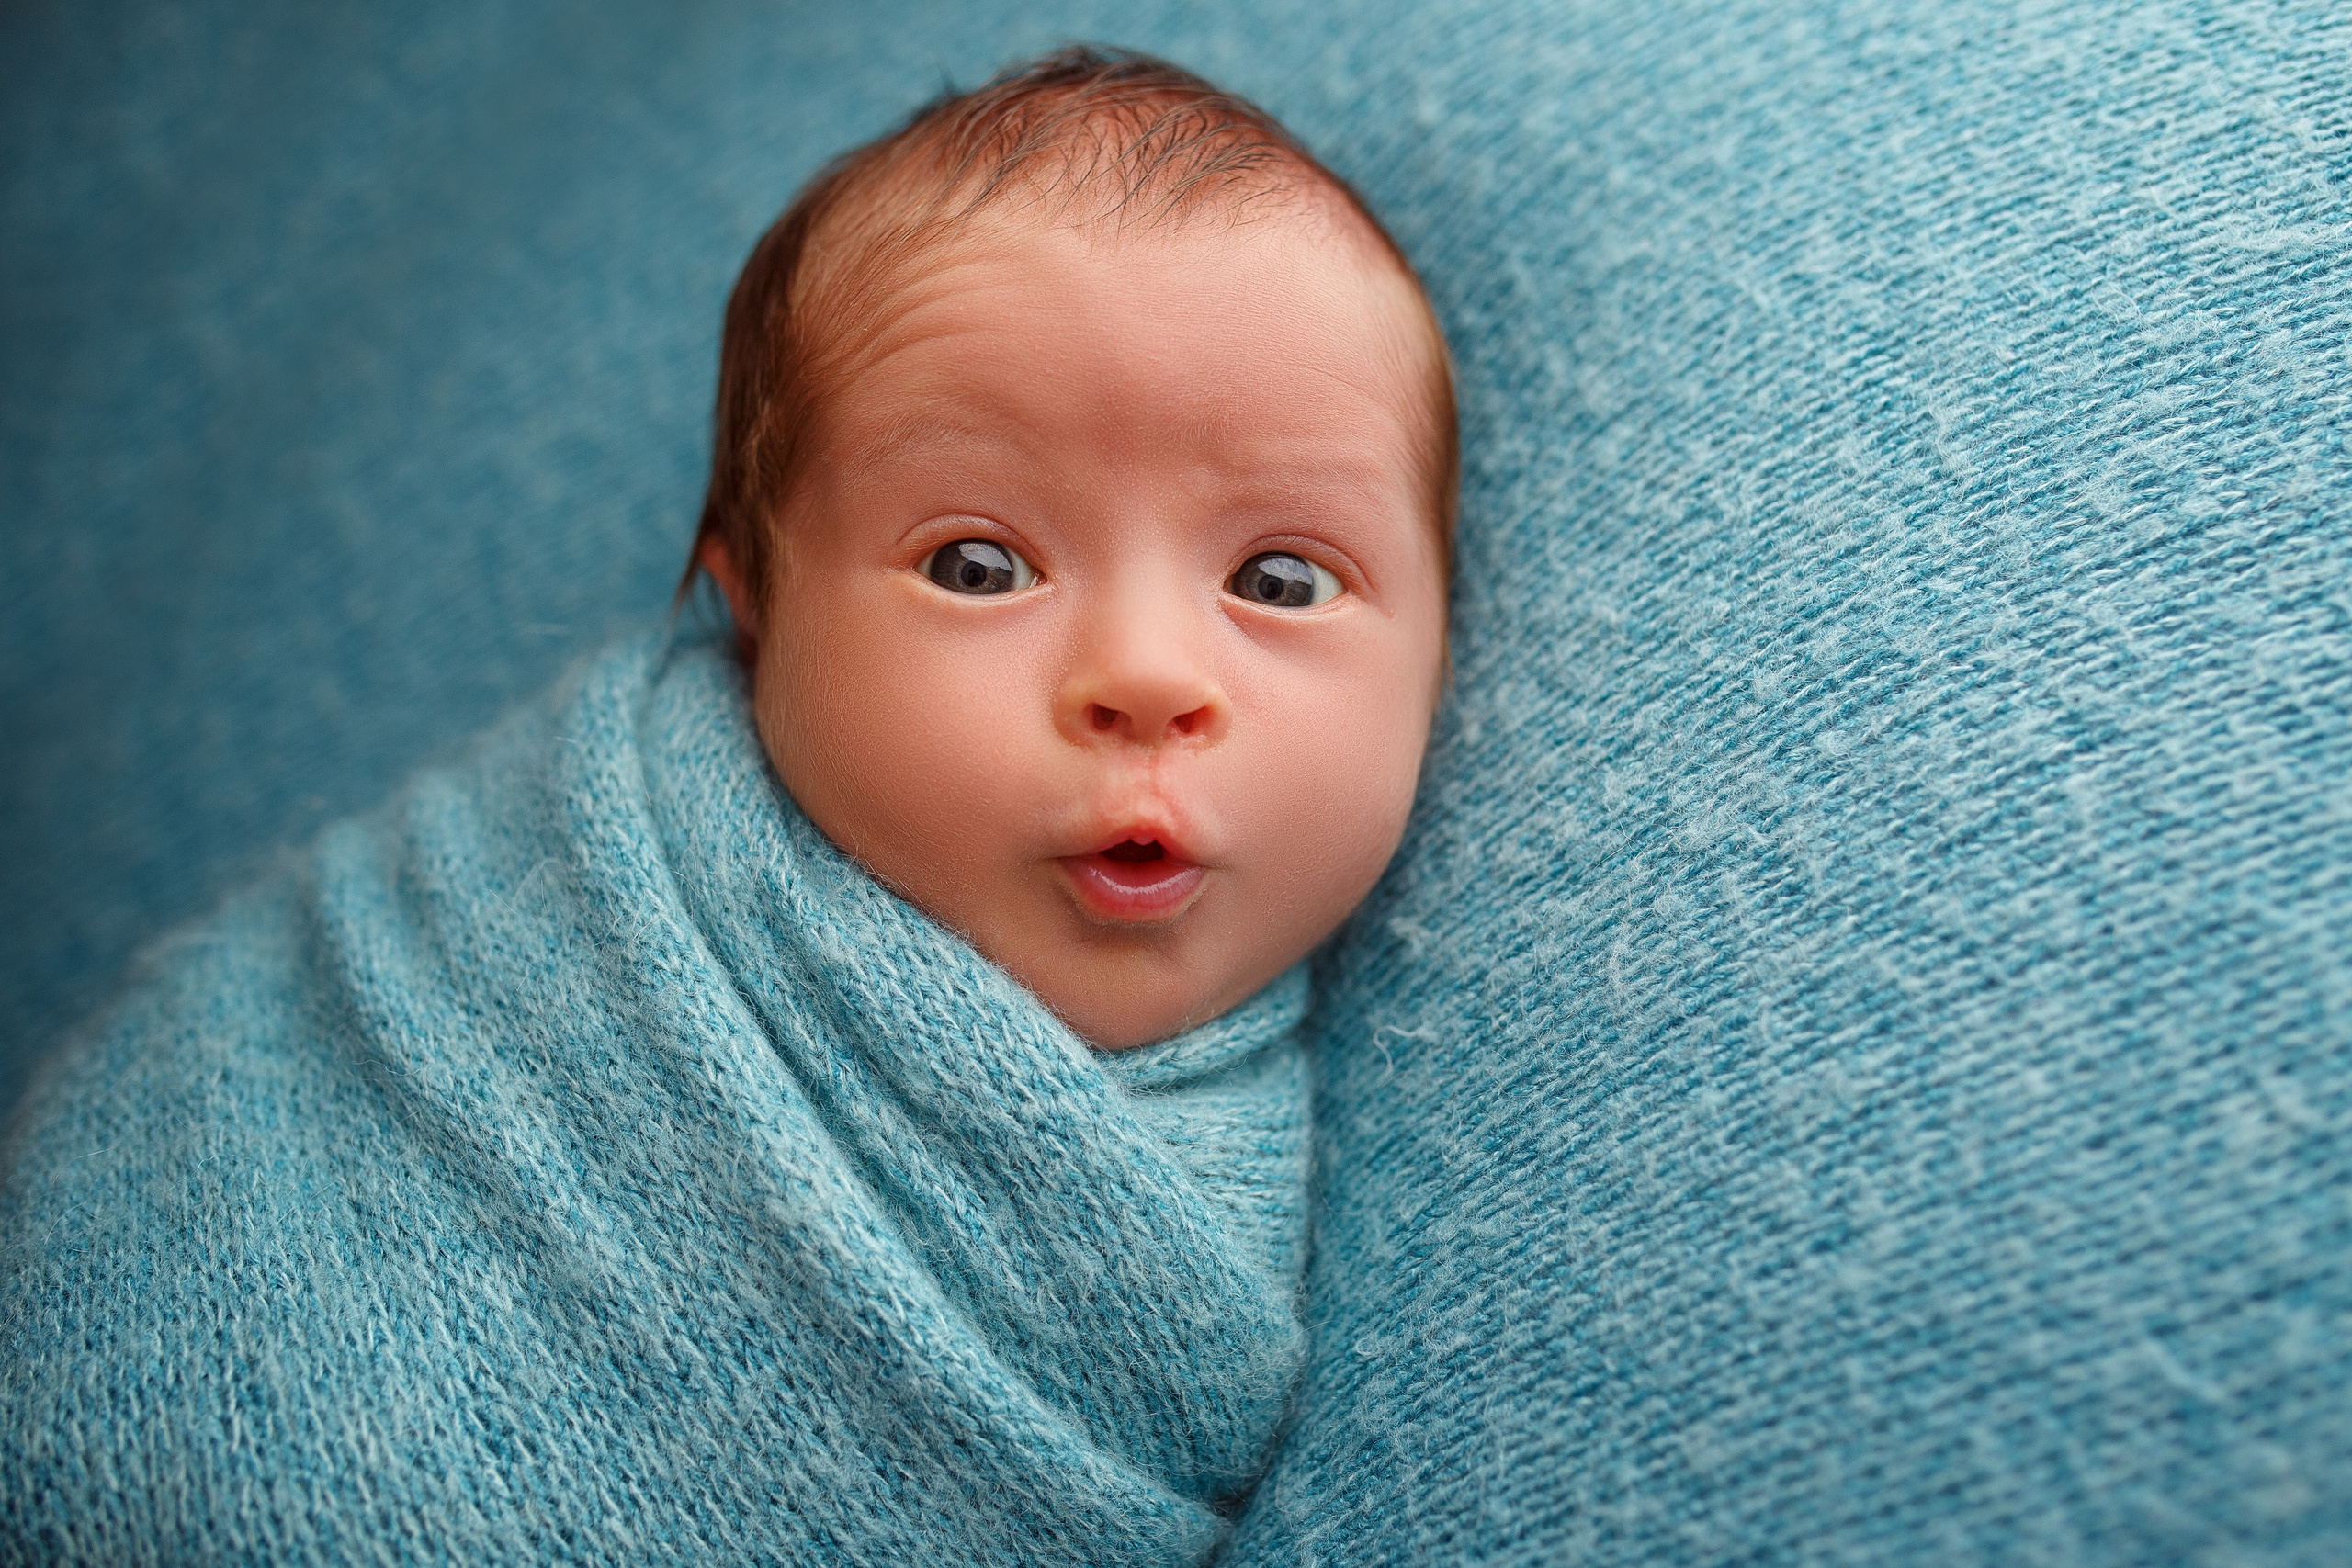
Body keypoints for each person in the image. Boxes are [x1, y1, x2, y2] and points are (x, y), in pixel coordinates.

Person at [0, 47, 1456, 1565]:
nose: (1146, 679)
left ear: (1444, 646)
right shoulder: (572, 857)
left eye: (1280, 581)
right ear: (750, 608)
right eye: (977, 564)